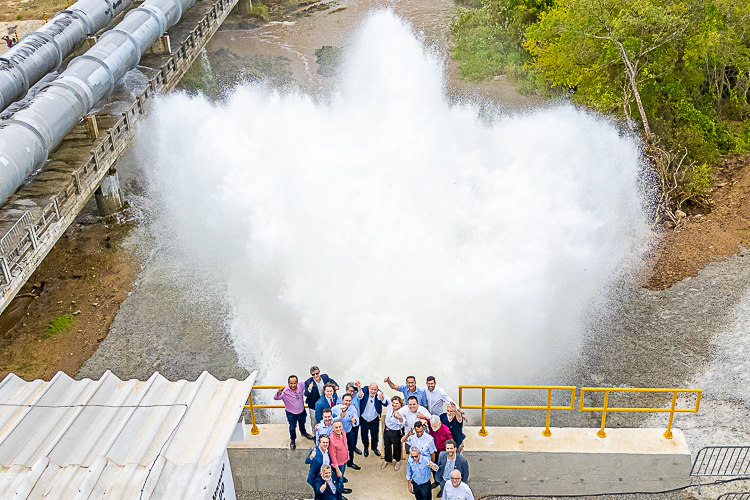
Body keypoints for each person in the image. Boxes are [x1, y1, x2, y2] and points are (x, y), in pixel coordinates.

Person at [274, 375, 313, 449]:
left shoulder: (301, 385)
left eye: (294, 383)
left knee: (302, 423)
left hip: (301, 411)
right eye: (291, 383)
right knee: (292, 427)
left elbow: (309, 381)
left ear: (297, 383)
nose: (293, 385)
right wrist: (279, 391)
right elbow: (276, 397)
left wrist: (312, 383)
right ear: (288, 383)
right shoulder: (285, 391)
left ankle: (304, 433)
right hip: (291, 413)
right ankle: (293, 440)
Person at [332, 393, 361, 470]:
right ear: (342, 400)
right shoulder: (335, 409)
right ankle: (338, 466)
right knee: (338, 451)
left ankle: (350, 463)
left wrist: (354, 421)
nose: (348, 402)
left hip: (348, 432)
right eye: (346, 400)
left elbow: (356, 418)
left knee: (350, 448)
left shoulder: (353, 408)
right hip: (338, 435)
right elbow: (331, 420)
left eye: (349, 400)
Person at [359, 382, 388, 457]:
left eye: (375, 389)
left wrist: (382, 398)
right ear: (369, 388)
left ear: (377, 389)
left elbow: (385, 403)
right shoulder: (364, 392)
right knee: (364, 435)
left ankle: (374, 448)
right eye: (372, 389)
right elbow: (358, 393)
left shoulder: (379, 394)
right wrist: (358, 386)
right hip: (363, 419)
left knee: (375, 435)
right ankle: (365, 448)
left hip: (374, 419)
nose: (373, 391)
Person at [382, 395, 405, 471]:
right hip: (387, 430)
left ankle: (398, 461)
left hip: (396, 432)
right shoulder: (390, 406)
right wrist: (382, 396)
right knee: (387, 445)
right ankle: (387, 459)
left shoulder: (402, 412)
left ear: (400, 405)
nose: (394, 405)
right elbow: (385, 397)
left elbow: (403, 423)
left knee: (397, 447)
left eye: (397, 403)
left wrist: (400, 418)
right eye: (393, 403)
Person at [329, 421, 351, 495]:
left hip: (344, 460)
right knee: (339, 479)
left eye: (340, 427)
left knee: (341, 476)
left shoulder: (343, 432)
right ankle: (339, 493)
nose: (338, 429)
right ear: (333, 428)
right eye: (336, 427)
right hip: (339, 464)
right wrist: (337, 470)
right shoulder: (332, 440)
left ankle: (340, 489)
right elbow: (333, 456)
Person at [345, 382, 364, 455]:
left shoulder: (356, 395)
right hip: (346, 420)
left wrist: (359, 387)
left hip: (356, 419)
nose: (352, 393)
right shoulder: (341, 397)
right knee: (346, 434)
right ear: (346, 390)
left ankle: (354, 447)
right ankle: (346, 448)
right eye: (350, 391)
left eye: (353, 391)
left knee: (355, 434)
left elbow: (361, 395)